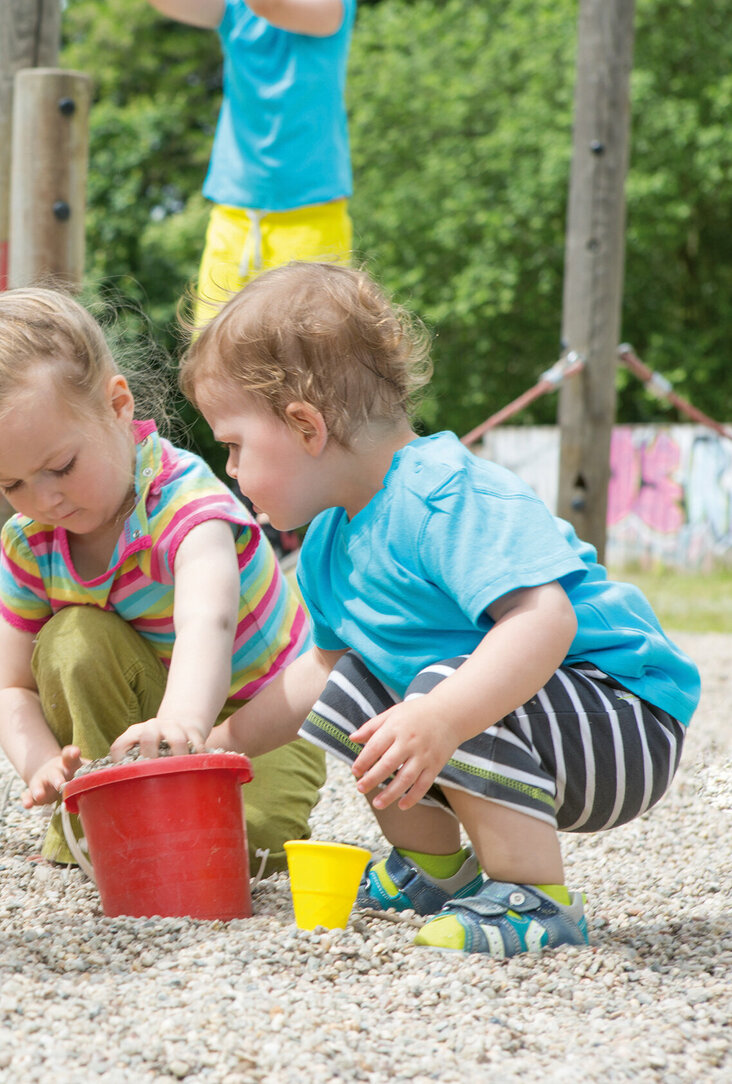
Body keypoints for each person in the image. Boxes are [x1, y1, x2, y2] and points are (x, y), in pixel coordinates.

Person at [127, 261, 700, 955]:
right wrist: (219, 747)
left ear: (306, 425)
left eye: (235, 447)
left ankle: (537, 899)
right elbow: (317, 676)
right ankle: (434, 871)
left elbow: (546, 620)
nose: (234, 473)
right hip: (543, 719)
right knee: (357, 685)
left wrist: (442, 713)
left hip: (620, 720)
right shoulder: (329, 544)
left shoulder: (444, 497)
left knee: (433, 685)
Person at [0, 288, 327, 878]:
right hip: (144, 715)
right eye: (13, 484)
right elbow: (11, 687)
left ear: (118, 405)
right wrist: (39, 760)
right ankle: (100, 815)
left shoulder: (183, 499)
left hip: (258, 715)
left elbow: (208, 624)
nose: (46, 499)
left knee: (244, 849)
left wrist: (185, 728)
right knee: (72, 639)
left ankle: (143, 824)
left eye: (61, 467)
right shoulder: (30, 541)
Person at [143, 0, 356, 328]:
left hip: (311, 222)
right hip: (233, 219)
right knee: (212, 363)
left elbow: (271, 5)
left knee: (307, 368)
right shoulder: (235, 10)